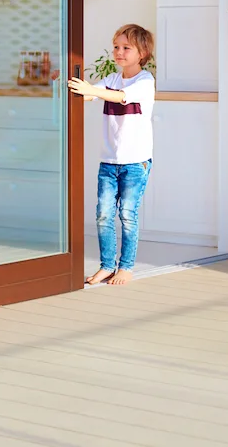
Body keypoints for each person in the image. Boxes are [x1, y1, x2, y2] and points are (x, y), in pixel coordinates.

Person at [68, 24, 155, 286]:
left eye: (126, 47)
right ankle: (107, 266)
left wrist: (91, 90)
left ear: (142, 53)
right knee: (104, 214)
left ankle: (126, 267)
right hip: (108, 162)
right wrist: (69, 86)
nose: (119, 52)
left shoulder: (144, 81)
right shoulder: (111, 79)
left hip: (135, 163)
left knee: (128, 214)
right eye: (116, 47)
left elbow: (117, 97)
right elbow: (89, 95)